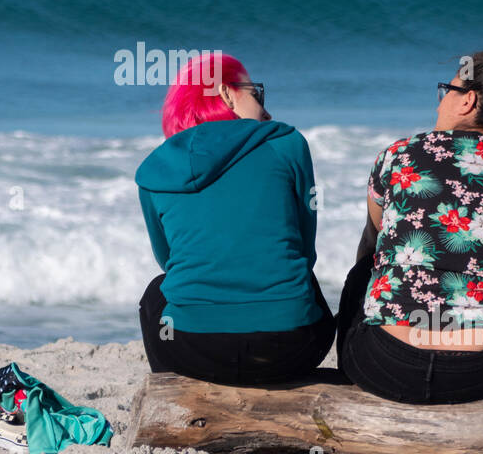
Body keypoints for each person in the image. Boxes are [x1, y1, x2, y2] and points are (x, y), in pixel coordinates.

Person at [337, 36, 483, 404]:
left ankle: (353, 384)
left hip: (385, 364)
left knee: (365, 267)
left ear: (468, 100)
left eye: (448, 89)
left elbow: (374, 234)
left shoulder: (400, 154)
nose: (441, 99)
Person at [136, 52, 334, 385]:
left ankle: (174, 390)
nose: (266, 109)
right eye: (256, 93)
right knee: (302, 282)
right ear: (225, 93)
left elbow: (169, 262)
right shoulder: (288, 144)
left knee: (157, 293)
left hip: (190, 347)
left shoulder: (155, 169)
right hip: (290, 346)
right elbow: (304, 248)